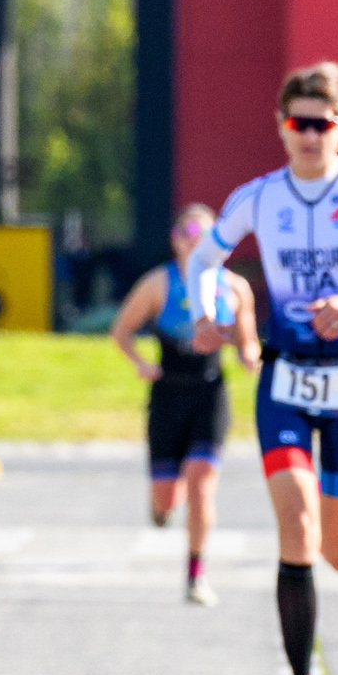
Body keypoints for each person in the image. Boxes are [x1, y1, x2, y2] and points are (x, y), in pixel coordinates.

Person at [188, 62, 338, 675]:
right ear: (282, 127)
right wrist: (207, 313)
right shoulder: (258, 196)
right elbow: (204, 259)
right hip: (285, 379)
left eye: (322, 123)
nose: (310, 135)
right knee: (296, 528)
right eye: (299, 123)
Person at [110, 206, 259, 605]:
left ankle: (196, 573)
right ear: (175, 240)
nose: (195, 240)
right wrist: (141, 363)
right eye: (188, 232)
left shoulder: (233, 288)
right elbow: (121, 330)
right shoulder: (159, 283)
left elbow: (248, 341)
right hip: (167, 394)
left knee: (201, 482)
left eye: (206, 234)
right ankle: (160, 503)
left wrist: (249, 356)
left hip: (210, 394)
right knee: (167, 496)